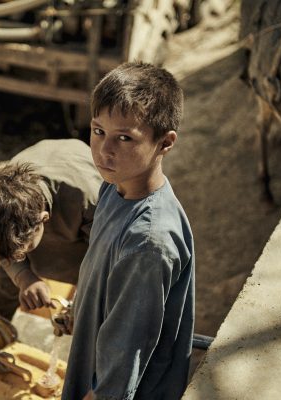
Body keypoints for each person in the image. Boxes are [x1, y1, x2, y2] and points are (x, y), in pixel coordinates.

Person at [61, 61, 195, 400]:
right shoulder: (115, 187)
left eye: (124, 137)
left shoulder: (147, 242)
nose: (105, 150)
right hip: (92, 362)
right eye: (97, 131)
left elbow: (123, 364)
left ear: (165, 143)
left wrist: (99, 392)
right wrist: (78, 310)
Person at [0, 139, 102, 321]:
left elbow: (107, 261)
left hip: (88, 239)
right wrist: (23, 277)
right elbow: (5, 251)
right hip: (32, 222)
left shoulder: (89, 201)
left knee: (93, 306)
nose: (13, 259)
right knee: (5, 280)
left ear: (43, 219)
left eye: (21, 254)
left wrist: (81, 302)